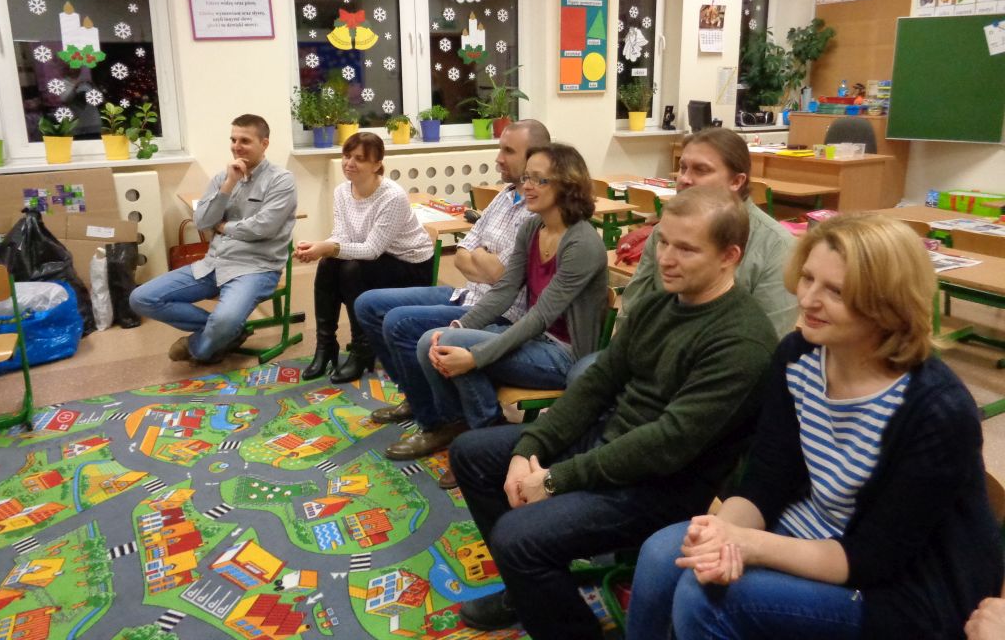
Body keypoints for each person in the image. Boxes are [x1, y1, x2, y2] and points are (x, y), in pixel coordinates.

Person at [626, 214, 1004, 640]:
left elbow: (871, 560)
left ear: (886, 305)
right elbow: (767, 479)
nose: (807, 299)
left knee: (705, 599)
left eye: (836, 291)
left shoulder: (937, 409)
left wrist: (748, 545)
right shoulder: (799, 355)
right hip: (809, 535)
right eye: (807, 278)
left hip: (896, 589)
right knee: (661, 555)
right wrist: (721, 534)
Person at [449, 186, 779, 638]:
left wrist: (554, 479)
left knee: (517, 538)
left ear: (729, 257)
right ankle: (527, 588)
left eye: (686, 249)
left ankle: (549, 599)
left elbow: (665, 443)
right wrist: (530, 446)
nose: (666, 259)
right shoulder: (662, 301)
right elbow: (598, 384)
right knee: (471, 453)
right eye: (664, 242)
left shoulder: (743, 340)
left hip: (661, 486)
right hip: (612, 442)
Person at [384, 142, 607, 472]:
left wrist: (475, 356)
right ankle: (466, 429)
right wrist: (460, 325)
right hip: (534, 340)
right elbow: (504, 290)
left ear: (567, 184)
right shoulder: (533, 227)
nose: (527, 186)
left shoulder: (582, 242)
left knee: (456, 350)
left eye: (539, 179)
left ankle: (487, 440)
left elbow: (540, 316)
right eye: (526, 177)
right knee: (432, 341)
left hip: (564, 354)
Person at [355, 119, 550, 426]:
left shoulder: (537, 209)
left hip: (498, 313)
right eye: (500, 149)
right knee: (368, 305)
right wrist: (482, 258)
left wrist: (479, 255)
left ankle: (437, 420)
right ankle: (418, 395)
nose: (499, 158)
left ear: (536, 158)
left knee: (398, 322)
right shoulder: (504, 195)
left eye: (509, 151)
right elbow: (460, 254)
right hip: (467, 293)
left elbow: (501, 275)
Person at [131, 114, 296, 364]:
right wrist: (229, 184)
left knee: (225, 320)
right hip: (214, 264)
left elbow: (263, 228)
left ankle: (198, 346)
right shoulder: (222, 178)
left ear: (264, 144)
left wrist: (224, 227)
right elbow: (201, 222)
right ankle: (229, 333)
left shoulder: (281, 180)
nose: (236, 146)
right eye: (233, 140)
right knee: (141, 298)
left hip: (255, 269)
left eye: (245, 141)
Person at [622, 127, 797, 335]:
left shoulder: (778, 246)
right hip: (654, 346)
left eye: (701, 170)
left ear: (736, 181)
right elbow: (631, 311)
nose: (685, 179)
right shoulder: (665, 231)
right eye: (683, 168)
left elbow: (770, 336)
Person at [295, 132, 434, 382]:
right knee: (328, 264)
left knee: (351, 270)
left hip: (411, 264)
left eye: (359, 159)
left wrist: (327, 247)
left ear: (377, 164)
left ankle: (363, 349)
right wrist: (320, 247)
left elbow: (371, 250)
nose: (349, 163)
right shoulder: (342, 191)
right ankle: (326, 346)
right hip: (376, 260)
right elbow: (341, 235)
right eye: (347, 156)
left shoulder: (392, 196)